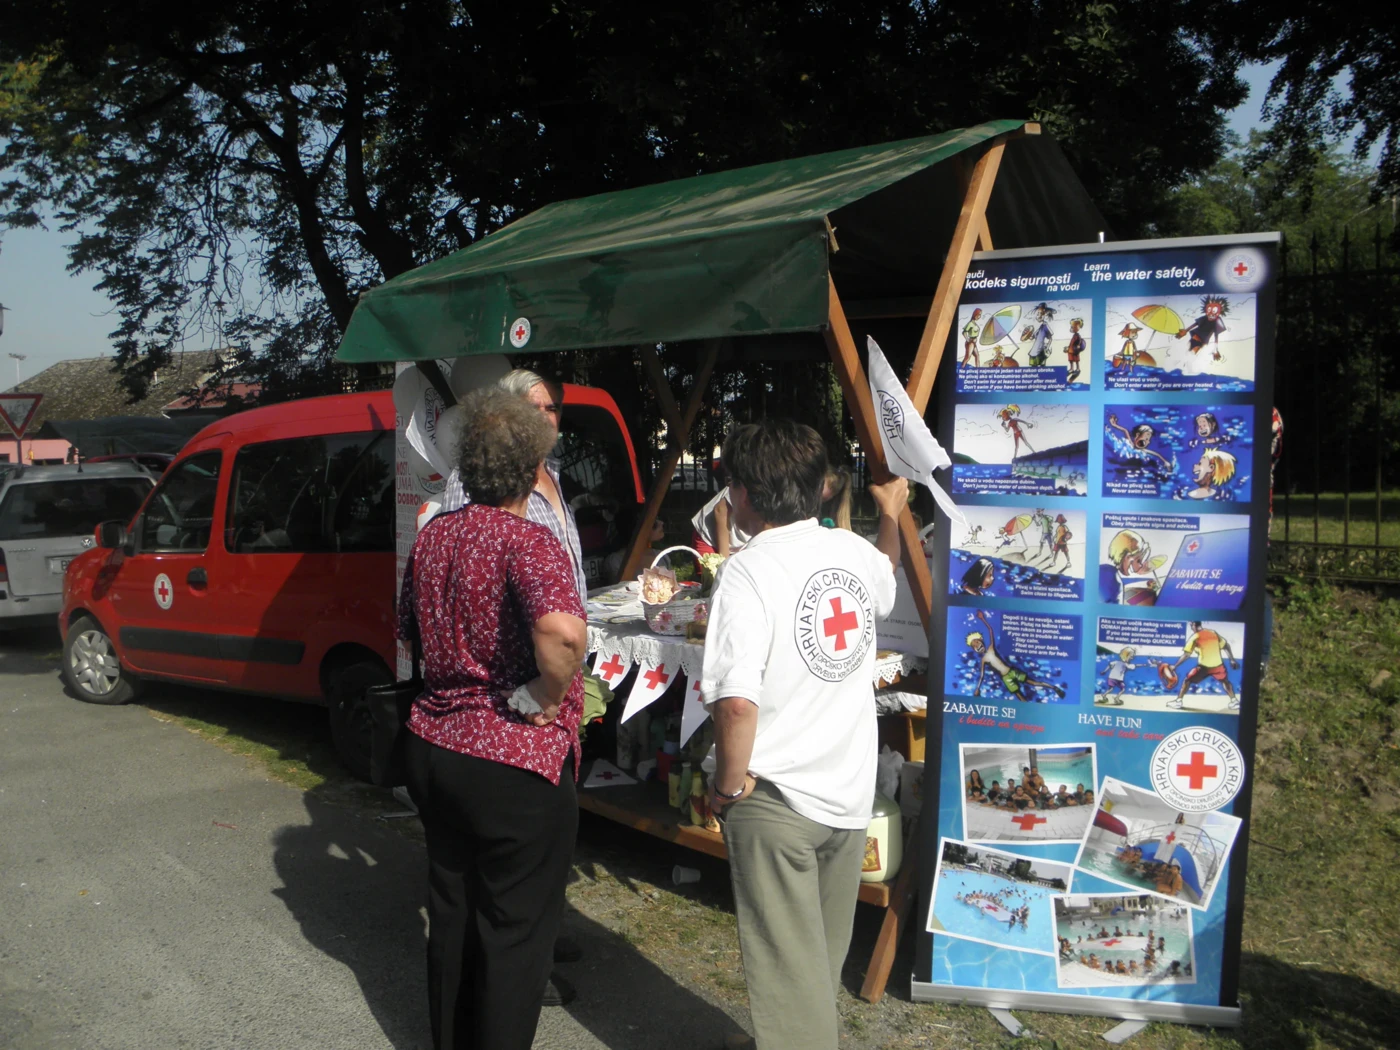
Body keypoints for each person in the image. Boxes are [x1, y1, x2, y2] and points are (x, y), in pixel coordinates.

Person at [700, 418, 903, 1050]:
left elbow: (737, 703)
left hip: (776, 795)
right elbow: (887, 573)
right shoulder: (851, 552)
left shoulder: (748, 572)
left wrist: (726, 788)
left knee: (791, 976)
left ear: (746, 493)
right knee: (815, 961)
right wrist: (891, 514)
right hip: (846, 792)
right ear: (820, 488)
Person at [398, 388, 588, 1050]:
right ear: (531, 467)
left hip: (434, 745)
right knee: (515, 934)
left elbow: (409, 632)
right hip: (510, 762)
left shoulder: (433, 536)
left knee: (452, 913)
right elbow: (564, 634)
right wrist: (545, 696)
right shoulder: (528, 541)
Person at [692, 485, 753, 557]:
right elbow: (720, 510)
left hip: (741, 545)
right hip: (709, 538)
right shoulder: (751, 483)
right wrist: (724, 558)